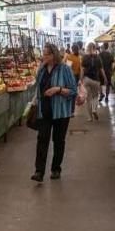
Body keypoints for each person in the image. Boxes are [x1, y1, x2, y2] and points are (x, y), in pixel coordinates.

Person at [32, 42, 77, 182]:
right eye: (43, 54)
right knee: (42, 140)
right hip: (44, 110)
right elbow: (37, 89)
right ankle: (39, 171)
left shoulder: (65, 69)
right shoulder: (42, 69)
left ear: (53, 55)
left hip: (61, 112)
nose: (43, 56)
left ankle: (56, 169)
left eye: (46, 54)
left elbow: (73, 91)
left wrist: (57, 89)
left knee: (58, 141)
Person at [80, 42, 107, 121]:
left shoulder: (84, 57)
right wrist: (105, 78)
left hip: (87, 79)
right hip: (96, 80)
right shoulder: (98, 58)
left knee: (88, 99)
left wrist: (81, 79)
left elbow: (82, 70)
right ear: (95, 48)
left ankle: (90, 117)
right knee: (95, 96)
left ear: (87, 48)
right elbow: (102, 70)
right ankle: (94, 109)